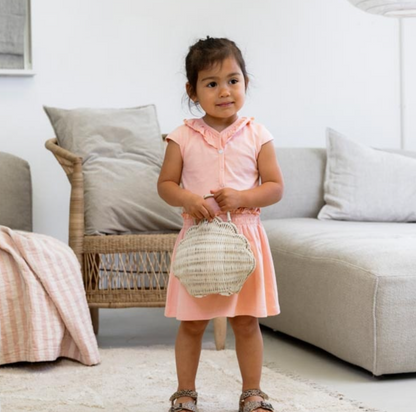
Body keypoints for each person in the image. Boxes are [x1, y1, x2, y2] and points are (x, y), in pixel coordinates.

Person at [157, 36, 284, 412]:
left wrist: (244, 197)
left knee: (246, 321)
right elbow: (165, 185)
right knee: (192, 323)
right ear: (192, 91)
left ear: (246, 82)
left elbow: (275, 188)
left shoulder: (259, 135)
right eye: (211, 83)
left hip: (244, 240)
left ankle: (252, 392)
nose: (224, 91)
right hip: (199, 241)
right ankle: (184, 393)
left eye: (233, 80)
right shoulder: (181, 137)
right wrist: (189, 200)